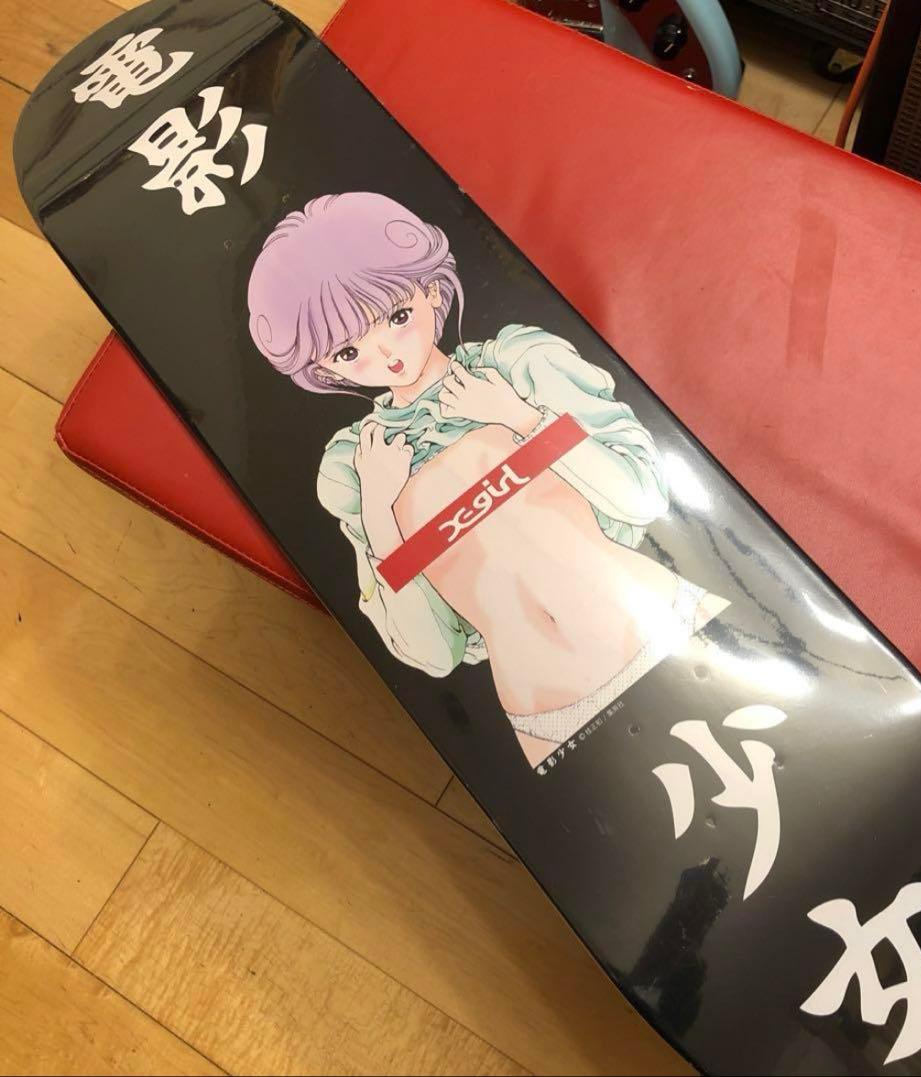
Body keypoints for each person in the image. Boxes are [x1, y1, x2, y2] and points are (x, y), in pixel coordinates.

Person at [248, 192, 728, 766]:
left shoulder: (518, 366)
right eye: (349, 352)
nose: (387, 353)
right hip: (548, 710)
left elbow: (642, 495)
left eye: (397, 317)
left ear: (429, 290)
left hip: (664, 626)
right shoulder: (357, 465)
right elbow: (432, 652)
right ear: (325, 368)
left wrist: (521, 419)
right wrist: (379, 514)